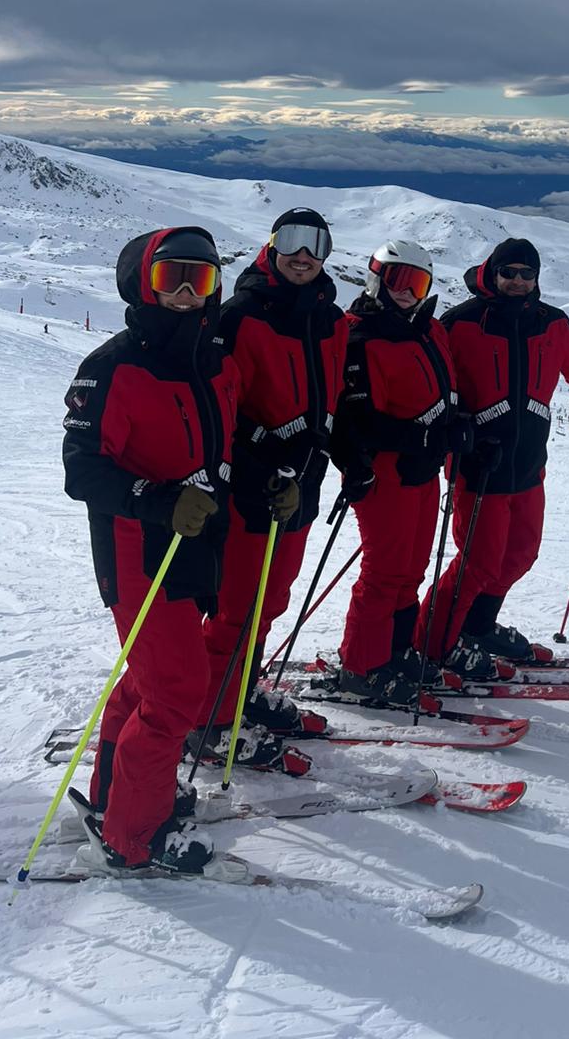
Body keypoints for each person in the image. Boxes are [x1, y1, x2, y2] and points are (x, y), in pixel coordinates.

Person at [62, 226, 236, 875]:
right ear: (144, 283)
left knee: (150, 678)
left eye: (202, 279)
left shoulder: (212, 362)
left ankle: (119, 796)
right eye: (172, 279)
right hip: (137, 549)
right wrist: (157, 500)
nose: (188, 294)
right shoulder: (111, 369)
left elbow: (220, 446)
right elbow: (82, 470)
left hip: (193, 545)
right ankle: (134, 838)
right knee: (177, 687)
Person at [419, 236, 569, 675]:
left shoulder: (551, 323)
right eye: (509, 273)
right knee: (477, 562)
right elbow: (434, 386)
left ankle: (477, 628)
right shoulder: (460, 323)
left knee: (518, 555)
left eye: (527, 274)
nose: (517, 281)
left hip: (528, 466)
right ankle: (431, 643)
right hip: (478, 467)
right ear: (492, 273)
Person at [197, 209, 347, 741]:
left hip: (305, 479)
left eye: (314, 243)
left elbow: (337, 403)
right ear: (271, 246)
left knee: (270, 600)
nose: (302, 254)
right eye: (290, 241)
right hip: (250, 483)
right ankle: (210, 718)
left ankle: (238, 692)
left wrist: (351, 461)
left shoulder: (331, 319)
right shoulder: (240, 316)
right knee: (237, 605)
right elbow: (217, 408)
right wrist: (259, 462)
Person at [329, 239, 471, 706]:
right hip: (383, 471)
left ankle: (395, 652)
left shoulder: (428, 331)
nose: (407, 292)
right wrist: (422, 437)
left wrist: (454, 425)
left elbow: (444, 390)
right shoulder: (360, 336)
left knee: (411, 568)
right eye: (397, 281)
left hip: (423, 470)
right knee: (385, 570)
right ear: (376, 279)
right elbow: (357, 417)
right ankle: (361, 666)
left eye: (417, 283)